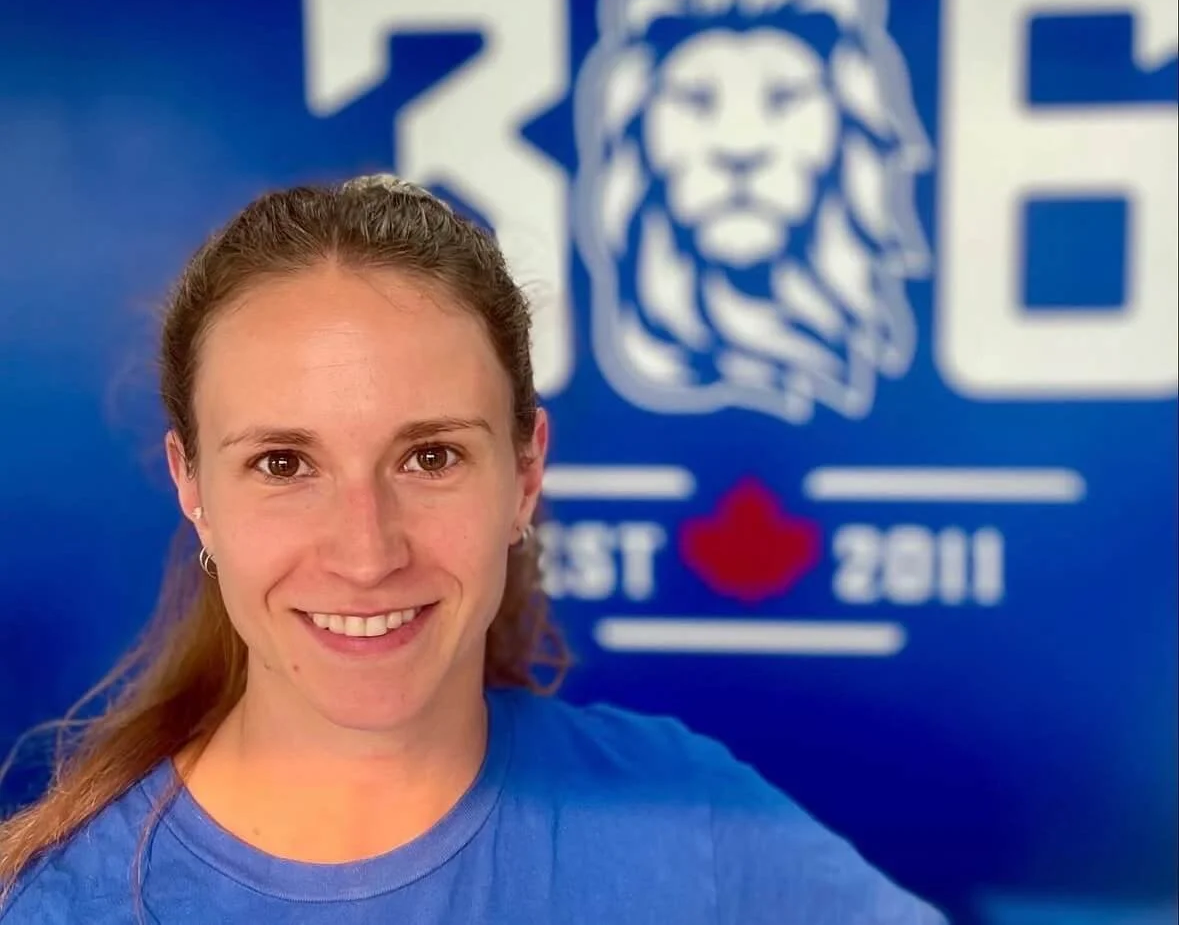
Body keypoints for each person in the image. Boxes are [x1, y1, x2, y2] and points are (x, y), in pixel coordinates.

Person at [0, 176, 946, 924]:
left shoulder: (688, 822)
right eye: (284, 463)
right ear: (192, 485)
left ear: (525, 472)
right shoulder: (58, 905)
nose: (365, 553)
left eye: (430, 455)